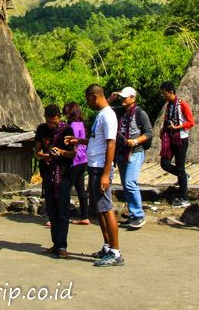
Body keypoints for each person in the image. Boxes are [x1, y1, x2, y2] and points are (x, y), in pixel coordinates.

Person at [65, 84, 123, 266]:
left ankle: (115, 252)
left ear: (95, 97)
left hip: (100, 168)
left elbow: (111, 144)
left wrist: (106, 173)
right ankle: (107, 246)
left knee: (106, 209)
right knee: (100, 209)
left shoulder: (108, 116)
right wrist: (79, 140)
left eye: (88, 99)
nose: (87, 103)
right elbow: (97, 141)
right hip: (95, 166)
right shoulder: (101, 115)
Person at [104, 87, 151, 228]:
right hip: (122, 153)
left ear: (133, 98)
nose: (123, 99)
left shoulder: (140, 114)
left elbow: (149, 132)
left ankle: (138, 215)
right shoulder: (118, 111)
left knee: (130, 182)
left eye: (126, 97)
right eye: (122, 97)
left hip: (135, 152)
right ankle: (133, 214)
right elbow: (103, 109)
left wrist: (136, 141)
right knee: (126, 185)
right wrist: (111, 98)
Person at [35, 105, 77, 258]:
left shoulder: (67, 130)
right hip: (47, 173)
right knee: (51, 210)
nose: (52, 125)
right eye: (49, 122)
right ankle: (55, 243)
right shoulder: (41, 129)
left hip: (64, 174)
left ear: (60, 118)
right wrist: (44, 156)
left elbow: (73, 154)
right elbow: (37, 151)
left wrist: (61, 152)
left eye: (55, 122)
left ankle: (62, 245)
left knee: (63, 210)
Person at [159, 81, 195, 208]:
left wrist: (177, 127)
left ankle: (184, 197)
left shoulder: (182, 104)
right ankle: (184, 176)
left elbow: (191, 122)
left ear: (171, 92)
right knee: (165, 163)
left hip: (181, 138)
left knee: (180, 167)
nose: (163, 96)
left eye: (164, 94)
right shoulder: (169, 106)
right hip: (170, 138)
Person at [63, 102, 90, 225]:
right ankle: (85, 216)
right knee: (80, 189)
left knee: (65, 189)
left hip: (74, 160)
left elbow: (71, 143)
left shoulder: (73, 125)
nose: (66, 115)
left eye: (67, 112)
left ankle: (62, 216)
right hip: (83, 159)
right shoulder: (81, 124)